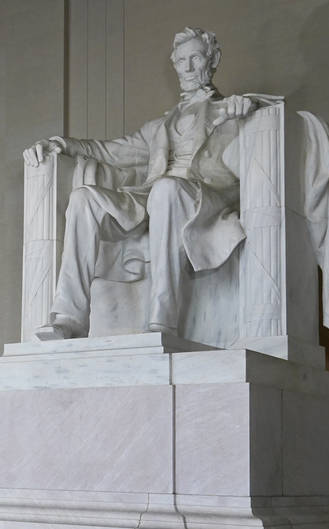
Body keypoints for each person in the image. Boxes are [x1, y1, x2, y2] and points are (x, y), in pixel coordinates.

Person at [28, 27, 272, 338]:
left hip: (204, 199)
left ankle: (161, 321)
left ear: (212, 61)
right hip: (153, 198)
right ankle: (69, 318)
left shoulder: (232, 110)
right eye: (180, 60)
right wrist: (63, 144)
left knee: (166, 189)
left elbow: (274, 117)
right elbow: (113, 150)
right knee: (83, 199)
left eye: (195, 58)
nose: (186, 68)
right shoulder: (160, 126)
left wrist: (250, 107)